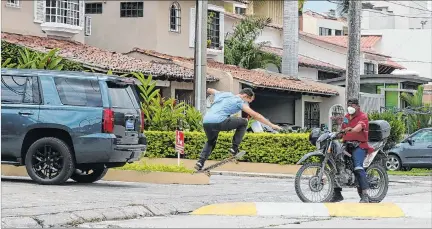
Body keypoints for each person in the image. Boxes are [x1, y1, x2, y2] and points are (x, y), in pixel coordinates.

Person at [194, 88, 282, 171]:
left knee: (211, 141)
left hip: (206, 121)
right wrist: (271, 125)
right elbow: (255, 115)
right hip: (220, 121)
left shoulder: (223, 94)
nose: (246, 103)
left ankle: (200, 162)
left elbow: (210, 90)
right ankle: (234, 149)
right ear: (245, 96)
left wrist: (208, 91)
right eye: (248, 101)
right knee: (244, 122)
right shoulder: (239, 101)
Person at [332, 98, 374, 203]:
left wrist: (351, 129)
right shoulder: (346, 117)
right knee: (335, 165)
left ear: (357, 106)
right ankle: (337, 193)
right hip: (347, 145)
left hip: (359, 145)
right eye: (349, 105)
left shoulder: (363, 116)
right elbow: (342, 131)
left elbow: (358, 128)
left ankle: (364, 195)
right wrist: (335, 134)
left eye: (352, 105)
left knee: (358, 167)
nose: (350, 107)